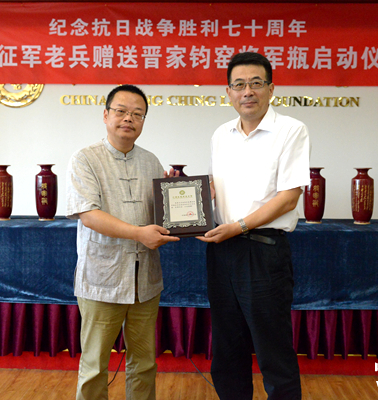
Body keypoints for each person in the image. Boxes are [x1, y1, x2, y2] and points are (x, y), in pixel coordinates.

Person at [198, 52, 310, 399]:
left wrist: (240, 226)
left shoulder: (290, 130)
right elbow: (217, 188)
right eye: (239, 85)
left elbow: (288, 198)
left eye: (256, 83)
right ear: (228, 92)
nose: (247, 91)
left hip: (263, 252)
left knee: (272, 349)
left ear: (271, 89)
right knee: (227, 348)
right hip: (222, 251)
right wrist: (190, 195)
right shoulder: (221, 134)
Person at [66, 84, 180, 400]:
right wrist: (138, 233)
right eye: (121, 111)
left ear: (143, 121)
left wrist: (176, 199)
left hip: (145, 280)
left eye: (137, 114)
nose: (128, 118)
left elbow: (160, 216)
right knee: (94, 366)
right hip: (103, 277)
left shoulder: (151, 162)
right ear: (106, 115)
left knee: (144, 363)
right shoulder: (85, 159)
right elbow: (89, 215)